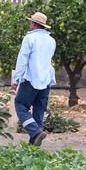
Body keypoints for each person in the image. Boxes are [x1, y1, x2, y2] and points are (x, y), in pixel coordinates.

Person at [11, 12, 56, 147]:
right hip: (46, 79)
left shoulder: (29, 39)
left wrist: (16, 78)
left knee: (20, 105)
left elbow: (22, 59)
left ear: (34, 24)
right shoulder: (51, 41)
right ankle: (34, 146)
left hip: (31, 78)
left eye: (31, 22)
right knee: (39, 110)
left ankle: (35, 132)